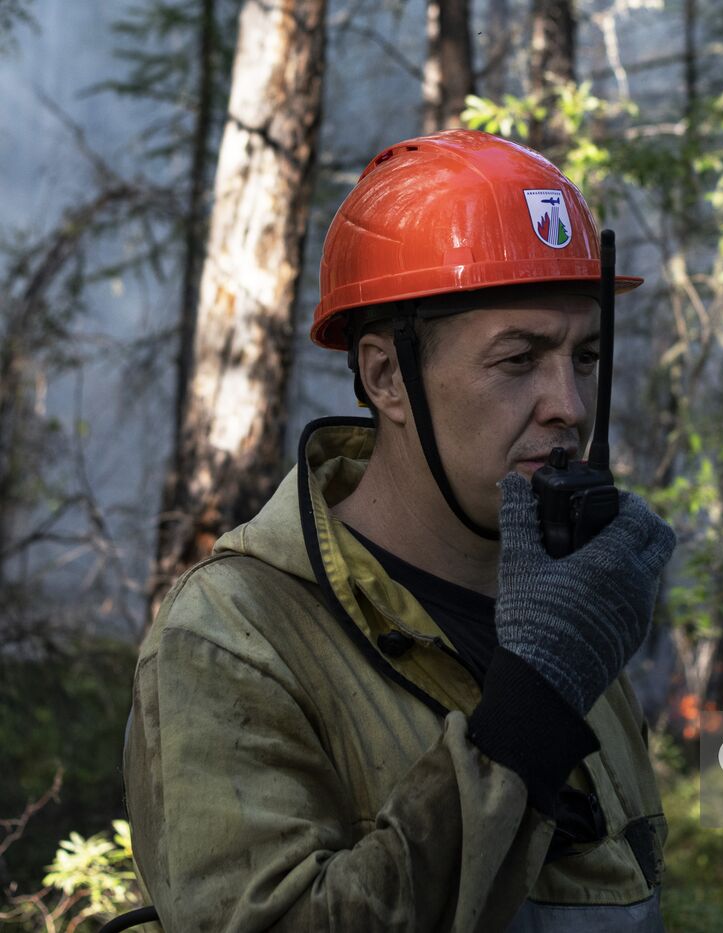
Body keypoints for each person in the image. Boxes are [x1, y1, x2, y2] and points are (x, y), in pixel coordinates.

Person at [123, 129, 677, 931]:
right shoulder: (236, 634)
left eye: (585, 356)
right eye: (519, 359)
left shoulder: (571, 608)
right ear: (387, 376)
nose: (570, 404)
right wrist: (527, 718)